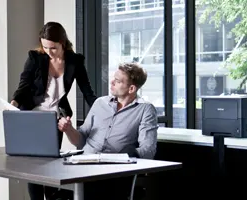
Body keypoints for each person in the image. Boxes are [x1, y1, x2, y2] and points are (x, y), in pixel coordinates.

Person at [10, 21, 98, 200]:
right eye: (45, 47)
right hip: (33, 115)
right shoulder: (35, 57)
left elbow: (87, 91)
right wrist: (14, 102)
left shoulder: (75, 61)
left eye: (53, 48)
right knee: (33, 167)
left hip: (54, 118)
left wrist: (103, 109)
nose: (49, 52)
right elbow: (24, 85)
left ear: (62, 43)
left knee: (51, 165)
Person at [56, 62, 159, 200]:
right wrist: (68, 130)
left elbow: (148, 150)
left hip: (114, 173)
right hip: (83, 166)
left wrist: (124, 155)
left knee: (81, 190)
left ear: (131, 88)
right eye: (113, 78)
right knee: (47, 181)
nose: (111, 82)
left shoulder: (145, 110)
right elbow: (81, 141)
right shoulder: (100, 103)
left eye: (117, 81)